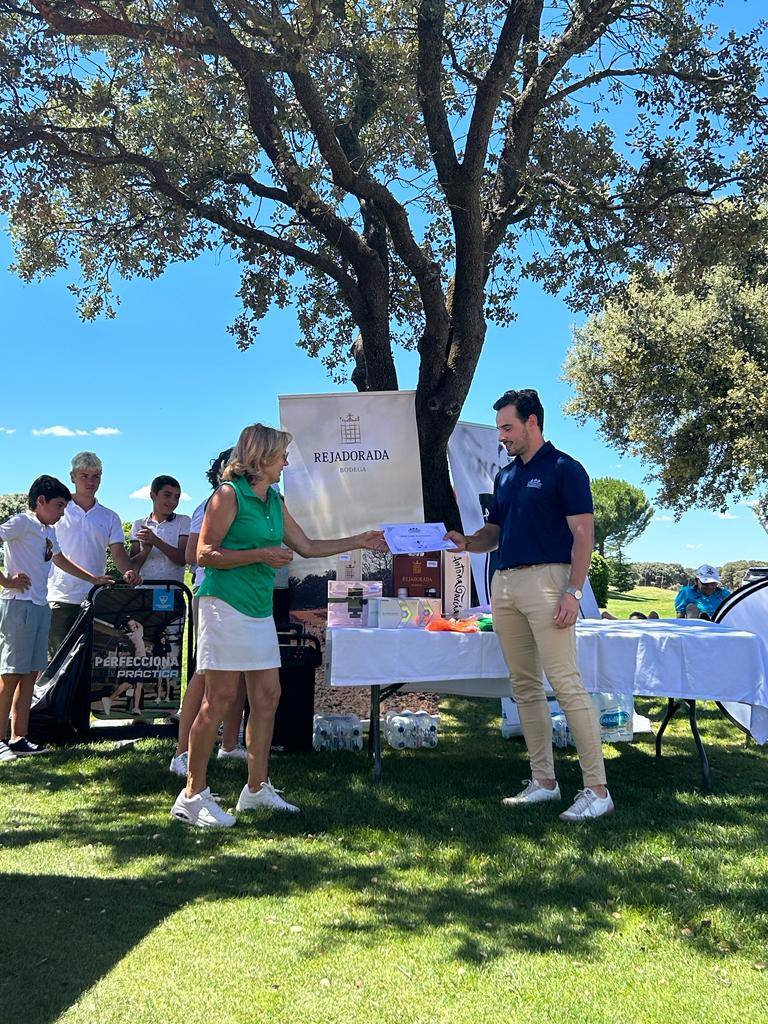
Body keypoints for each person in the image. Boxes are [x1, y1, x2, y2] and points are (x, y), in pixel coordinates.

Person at [170, 423, 388, 828]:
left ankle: (256, 790)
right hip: (223, 605)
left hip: (256, 610)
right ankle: (192, 794)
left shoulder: (273, 499)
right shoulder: (227, 495)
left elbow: (306, 546)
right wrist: (259, 555)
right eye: (282, 454)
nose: (287, 461)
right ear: (261, 457)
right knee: (217, 702)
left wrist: (359, 540)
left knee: (268, 695)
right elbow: (202, 554)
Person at [445, 389, 613, 822]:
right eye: (500, 428)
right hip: (505, 584)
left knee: (567, 684)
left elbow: (583, 536)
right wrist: (467, 542)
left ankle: (597, 789)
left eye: (508, 427)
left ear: (532, 422)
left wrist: (574, 592)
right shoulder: (505, 477)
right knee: (524, 687)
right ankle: (544, 782)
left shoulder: (566, 470)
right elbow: (493, 534)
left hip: (549, 582)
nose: (502, 436)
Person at [0, 476, 113, 761]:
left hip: (40, 605)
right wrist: (5, 580)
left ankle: (19, 737)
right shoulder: (22, 522)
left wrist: (94, 578)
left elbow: (60, 560)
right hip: (19, 606)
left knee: (30, 675)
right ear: (40, 501)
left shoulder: (48, 530)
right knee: (11, 675)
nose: (62, 512)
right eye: (59, 506)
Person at [169, 447, 247, 776]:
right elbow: (193, 554)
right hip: (212, 593)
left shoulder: (252, 503)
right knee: (206, 674)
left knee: (241, 672)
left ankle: (229, 746)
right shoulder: (212, 503)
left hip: (243, 595)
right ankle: (182, 753)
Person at [47, 451, 140, 659]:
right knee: (56, 660)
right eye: (84, 476)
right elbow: (53, 553)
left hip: (94, 598)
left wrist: (129, 570)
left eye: (96, 476)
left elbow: (118, 552)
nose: (90, 481)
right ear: (72, 477)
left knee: (90, 660)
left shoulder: (110, 516)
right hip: (60, 596)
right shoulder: (57, 510)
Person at [129, 476, 190, 583]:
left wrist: (155, 541)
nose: (172, 501)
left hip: (173, 590)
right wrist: (146, 551)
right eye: (167, 495)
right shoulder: (139, 524)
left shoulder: (184, 521)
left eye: (176, 497)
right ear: (153, 495)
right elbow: (132, 567)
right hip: (143, 591)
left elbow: (182, 560)